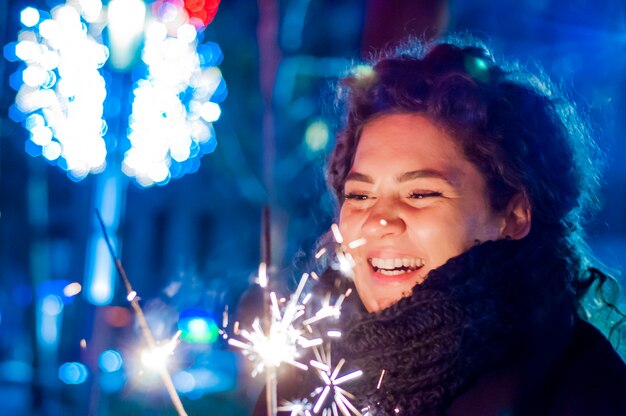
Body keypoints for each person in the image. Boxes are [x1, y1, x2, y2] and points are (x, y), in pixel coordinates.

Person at [253, 36, 626, 415]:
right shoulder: (304, 375)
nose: (378, 221)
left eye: (420, 194)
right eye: (360, 196)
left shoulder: (585, 393)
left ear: (513, 215)